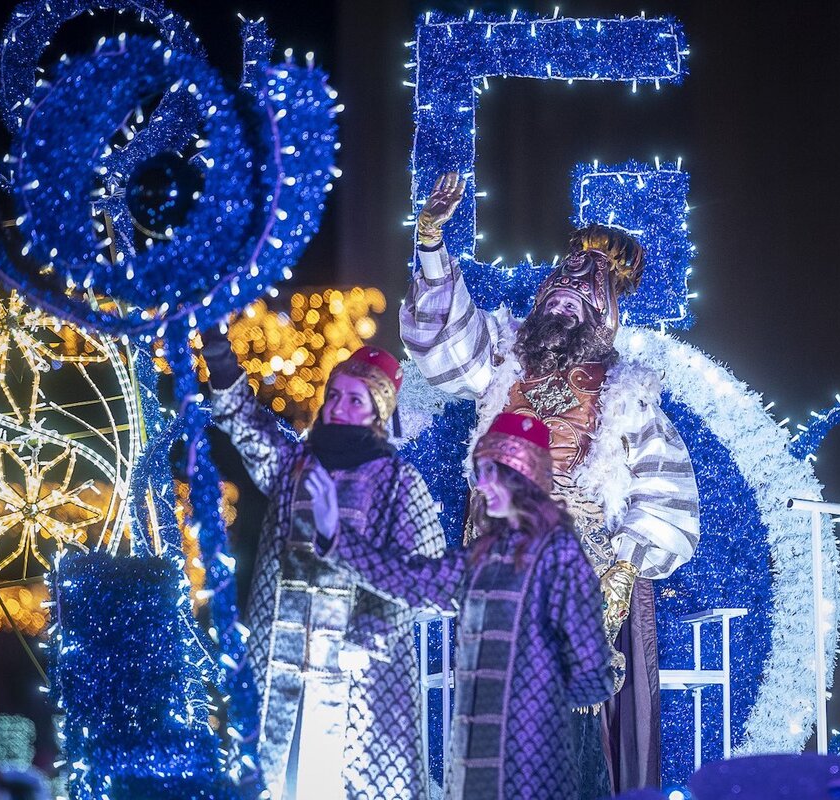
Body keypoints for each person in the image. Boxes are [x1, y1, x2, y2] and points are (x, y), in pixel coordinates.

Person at [400, 172, 699, 790]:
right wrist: (430, 243)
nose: (563, 305)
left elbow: (668, 503)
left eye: (577, 303)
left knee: (565, 723)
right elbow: (444, 350)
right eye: (556, 297)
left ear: (603, 315)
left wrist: (617, 575)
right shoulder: (504, 359)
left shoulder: (626, 391)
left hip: (575, 572)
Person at [310, 413, 621, 800]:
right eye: (480, 472)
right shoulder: (485, 555)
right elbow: (411, 579)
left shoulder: (559, 554)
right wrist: (336, 538)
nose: (482, 484)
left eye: (492, 472)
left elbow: (593, 677)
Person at [202, 331, 445, 800]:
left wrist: (373, 632)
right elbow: (245, 424)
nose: (338, 407)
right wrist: (220, 356)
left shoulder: (399, 482)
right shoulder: (295, 464)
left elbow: (420, 575)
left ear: (378, 410)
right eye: (334, 395)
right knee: (271, 777)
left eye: (355, 399)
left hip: (357, 678)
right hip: (280, 667)